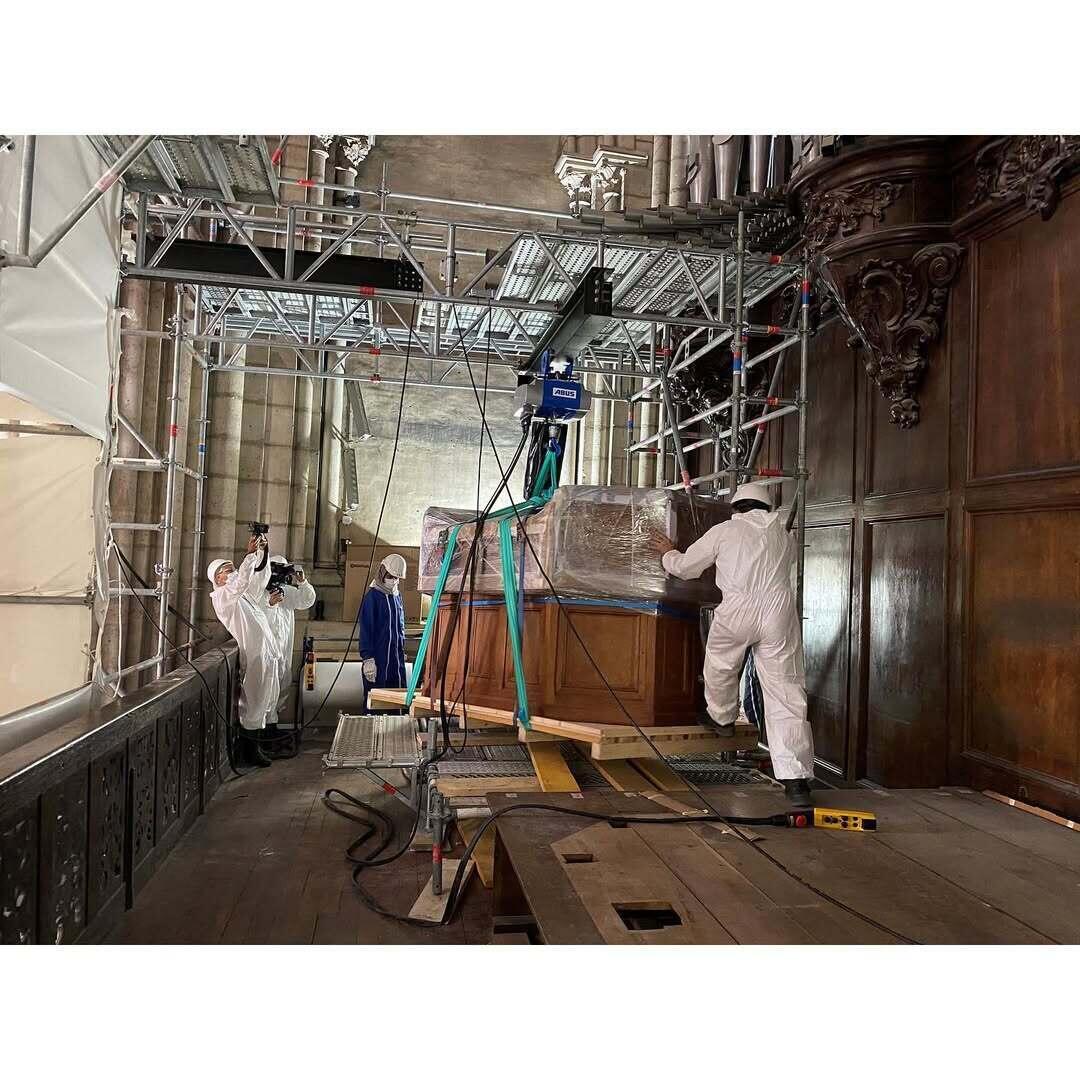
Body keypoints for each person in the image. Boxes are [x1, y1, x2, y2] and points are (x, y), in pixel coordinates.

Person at [650, 483, 816, 806]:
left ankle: (722, 717)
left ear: (736, 508)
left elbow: (686, 568)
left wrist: (667, 552)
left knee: (720, 662)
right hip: (778, 614)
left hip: (738, 610)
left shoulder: (725, 530)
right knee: (786, 691)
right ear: (766, 508)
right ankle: (796, 783)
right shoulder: (784, 535)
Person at [207, 536, 283, 768]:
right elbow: (240, 582)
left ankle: (259, 745)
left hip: (266, 653)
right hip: (254, 655)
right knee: (254, 702)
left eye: (232, 569)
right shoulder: (222, 597)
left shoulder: (243, 595)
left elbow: (257, 580)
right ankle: (250, 752)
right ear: (217, 578)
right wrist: (249, 555)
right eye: (226, 570)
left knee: (266, 700)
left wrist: (263, 553)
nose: (231, 572)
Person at [251, 555, 317, 725]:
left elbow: (307, 600)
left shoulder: (286, 590)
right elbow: (257, 621)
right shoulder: (257, 592)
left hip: (283, 647)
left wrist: (302, 582)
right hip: (263, 651)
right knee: (264, 689)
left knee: (282, 682)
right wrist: (271, 604)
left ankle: (272, 726)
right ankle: (261, 730)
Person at [359, 553, 408, 705]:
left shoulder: (396, 596)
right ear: (382, 573)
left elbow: (400, 627)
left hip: (395, 659)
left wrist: (401, 649)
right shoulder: (372, 598)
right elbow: (366, 629)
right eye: (391, 577)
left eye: (396, 578)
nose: (393, 581)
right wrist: (368, 659)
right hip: (377, 660)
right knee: (377, 701)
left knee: (397, 698)